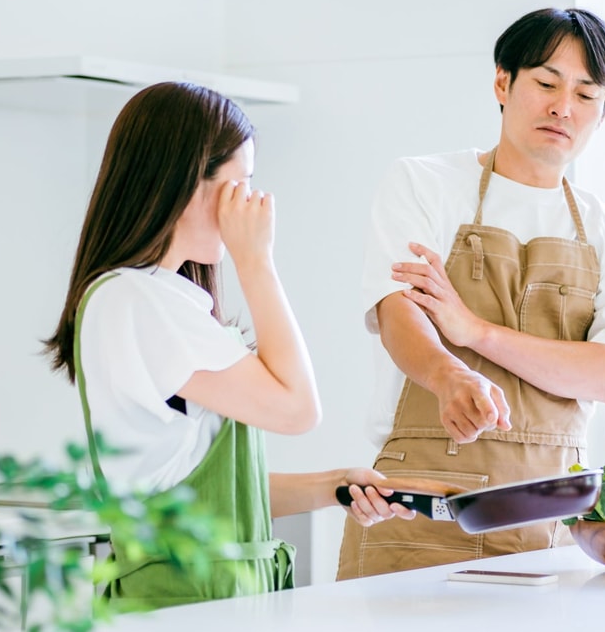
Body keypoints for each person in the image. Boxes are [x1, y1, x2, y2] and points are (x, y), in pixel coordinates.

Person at [44, 81, 414, 610]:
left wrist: (337, 483)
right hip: (181, 601)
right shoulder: (135, 299)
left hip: (208, 598)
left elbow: (214, 497)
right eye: (238, 186)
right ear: (181, 182)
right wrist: (255, 261)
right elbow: (297, 409)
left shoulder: (163, 298)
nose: (252, 206)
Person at [337, 7, 605, 579]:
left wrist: (474, 331)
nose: (564, 107)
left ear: (603, 114)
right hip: (421, 506)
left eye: (587, 95)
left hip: (551, 520)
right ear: (502, 83)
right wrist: (447, 374)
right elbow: (396, 312)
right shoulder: (423, 183)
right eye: (546, 82)